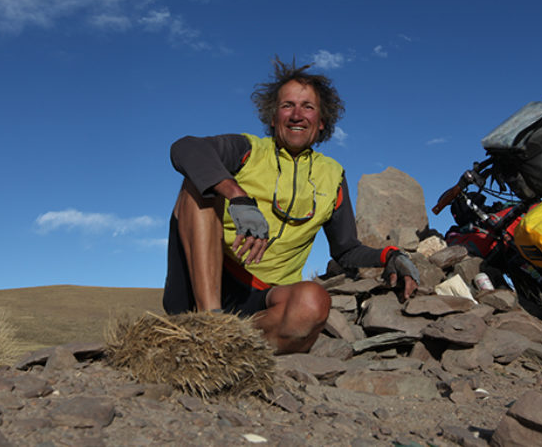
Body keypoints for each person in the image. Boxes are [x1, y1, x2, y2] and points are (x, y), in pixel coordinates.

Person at [163, 57, 420, 355]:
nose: (297, 115)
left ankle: (228, 348)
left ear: (322, 122)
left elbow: (346, 249)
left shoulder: (332, 176)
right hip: (203, 284)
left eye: (308, 107)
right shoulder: (248, 150)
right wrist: (236, 195)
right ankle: (209, 324)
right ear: (273, 118)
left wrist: (389, 255)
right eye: (287, 106)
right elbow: (186, 148)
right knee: (198, 185)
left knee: (314, 302)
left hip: (264, 301)